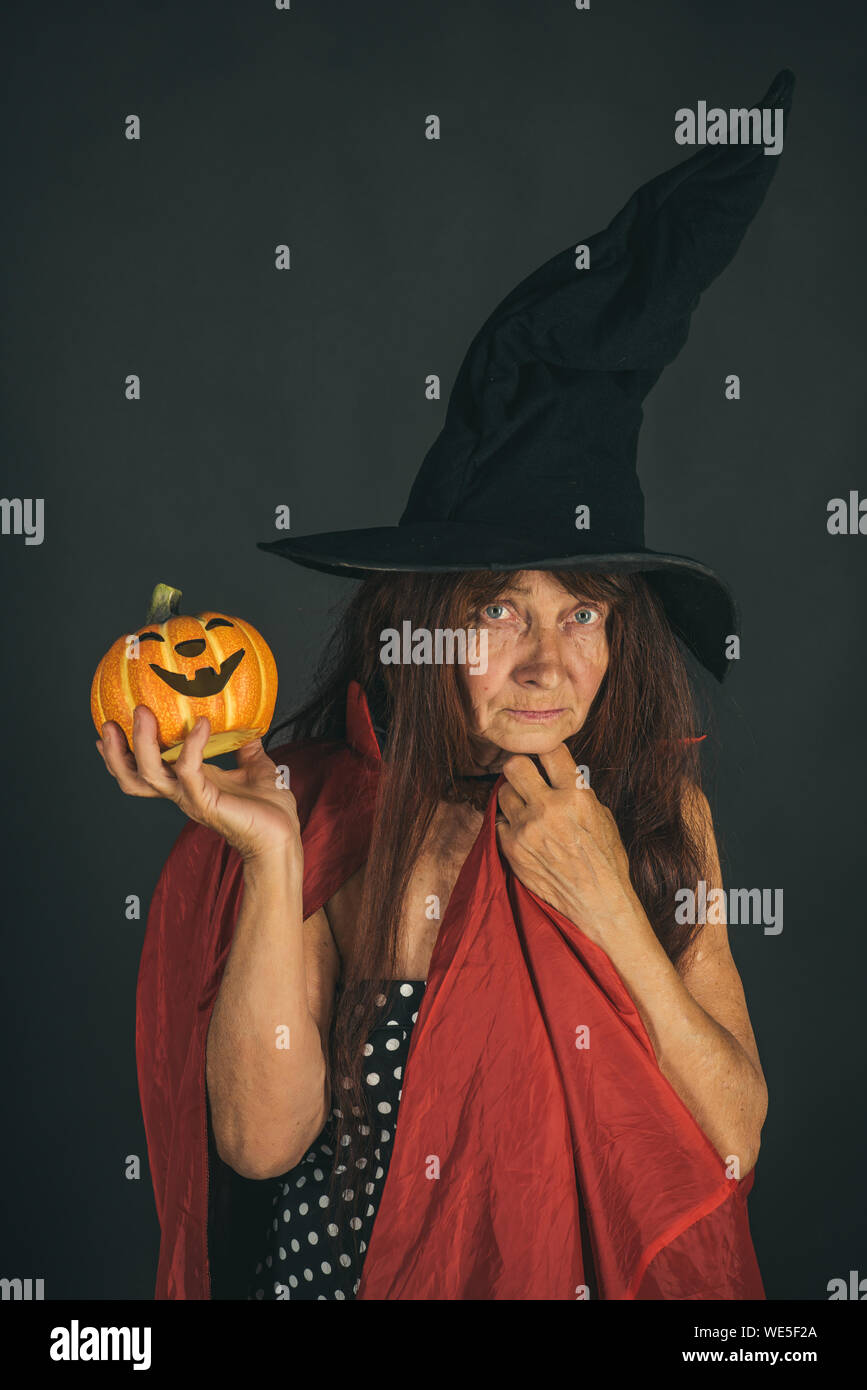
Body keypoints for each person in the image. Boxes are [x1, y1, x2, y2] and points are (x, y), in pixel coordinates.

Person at [96, 69, 794, 1299]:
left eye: (584, 611)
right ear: (418, 621)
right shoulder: (322, 805)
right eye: (496, 609)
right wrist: (267, 863)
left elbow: (732, 1134)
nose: (548, 658)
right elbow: (261, 1144)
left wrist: (607, 906)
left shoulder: (653, 811)